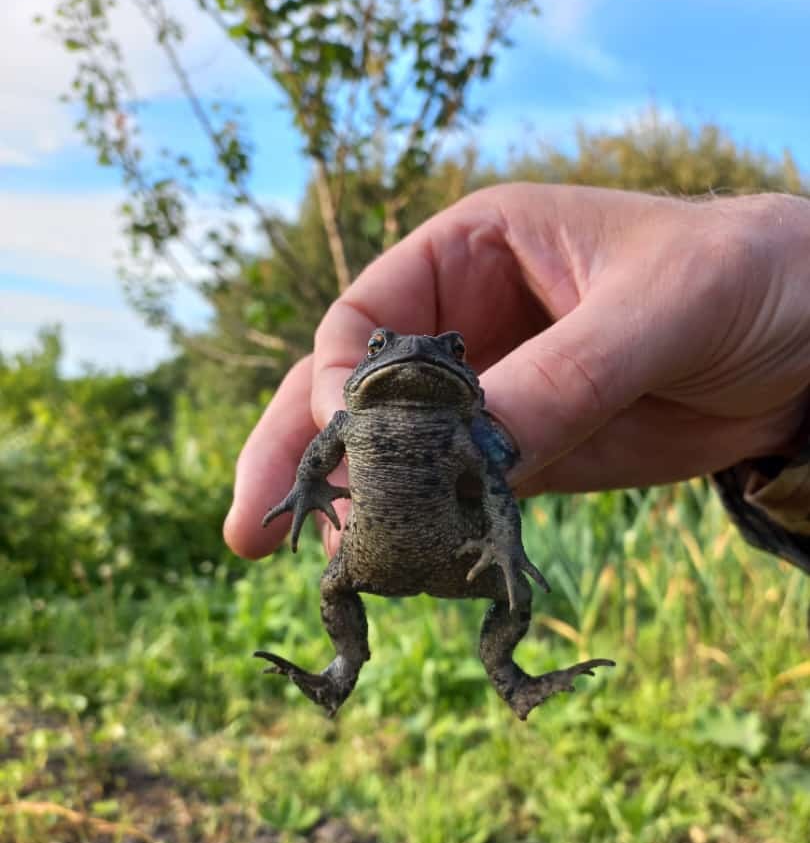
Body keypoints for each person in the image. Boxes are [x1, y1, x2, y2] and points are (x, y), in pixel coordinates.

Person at [223, 184, 810, 573]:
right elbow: (317, 456)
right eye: (379, 345)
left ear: (466, 369)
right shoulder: (351, 419)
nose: (417, 354)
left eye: (453, 350)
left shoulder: (470, 427)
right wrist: (782, 426)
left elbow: (497, 494)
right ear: (364, 365)